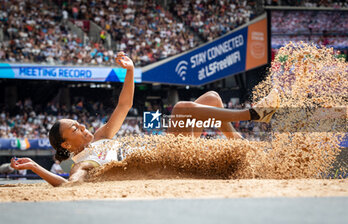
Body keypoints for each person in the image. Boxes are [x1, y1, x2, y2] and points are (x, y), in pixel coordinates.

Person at [10, 52, 280, 187]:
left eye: (78, 123)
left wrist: (130, 70)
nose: (83, 127)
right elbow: (70, 186)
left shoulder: (102, 137)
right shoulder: (82, 162)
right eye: (75, 129)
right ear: (67, 145)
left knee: (211, 97)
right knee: (182, 108)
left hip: (167, 146)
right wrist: (35, 167)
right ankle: (251, 114)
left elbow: (125, 104)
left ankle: (245, 147)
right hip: (163, 158)